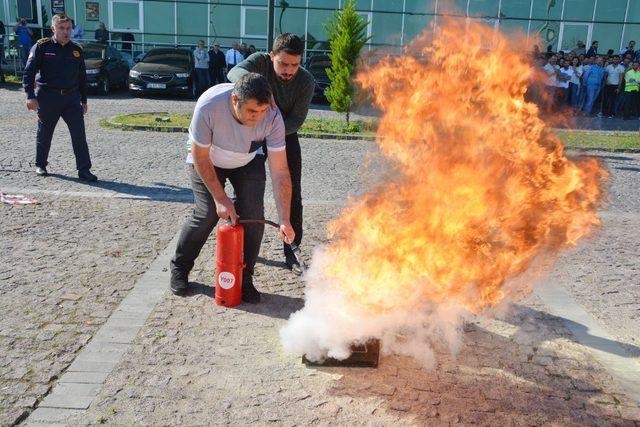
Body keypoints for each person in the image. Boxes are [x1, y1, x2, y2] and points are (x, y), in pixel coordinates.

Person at [169, 73, 294, 302]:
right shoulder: (209, 105)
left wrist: (285, 218)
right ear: (235, 99)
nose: (258, 118)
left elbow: (280, 171)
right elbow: (200, 156)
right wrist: (220, 198)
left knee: (254, 217)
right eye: (251, 112)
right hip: (208, 160)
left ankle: (244, 278)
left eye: (262, 111)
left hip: (247, 160)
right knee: (206, 213)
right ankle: (180, 268)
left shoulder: (272, 116)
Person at [228, 33, 315, 275]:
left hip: (285, 135)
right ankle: (241, 248)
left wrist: (272, 131)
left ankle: (292, 252)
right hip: (252, 132)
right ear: (271, 56)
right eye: (283, 63)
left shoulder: (306, 82)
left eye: (295, 65)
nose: (289, 70)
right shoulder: (259, 61)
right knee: (246, 191)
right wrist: (263, 92)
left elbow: (296, 121)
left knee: (292, 192)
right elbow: (233, 74)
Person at [22, 14, 97, 181]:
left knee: (79, 135)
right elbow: (28, 73)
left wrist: (84, 100)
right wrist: (30, 96)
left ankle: (84, 170)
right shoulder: (42, 47)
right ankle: (41, 164)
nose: (66, 32)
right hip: (48, 97)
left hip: (71, 99)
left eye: (69, 28)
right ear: (53, 29)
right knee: (45, 133)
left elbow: (82, 77)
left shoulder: (76, 50)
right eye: (62, 28)